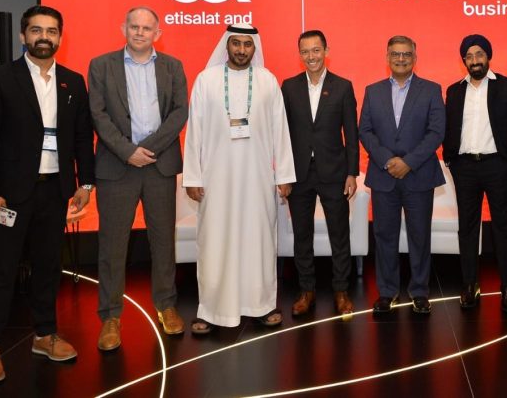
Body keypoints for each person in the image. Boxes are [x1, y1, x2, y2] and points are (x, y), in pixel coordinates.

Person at [0, 5, 95, 384]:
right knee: (0, 270)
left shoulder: (72, 82)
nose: (44, 37)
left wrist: (85, 184)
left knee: (47, 267)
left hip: (55, 191)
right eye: (37, 30)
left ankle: (45, 335)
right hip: (9, 196)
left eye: (52, 31)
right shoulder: (0, 79)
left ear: (60, 37)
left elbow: (81, 137)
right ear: (23, 36)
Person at [183, 24, 296, 333]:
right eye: (236, 44)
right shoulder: (206, 80)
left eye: (248, 44)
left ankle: (260, 305)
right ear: (227, 45)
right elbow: (194, 132)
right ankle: (212, 310)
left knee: (258, 240)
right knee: (215, 241)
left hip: (258, 178)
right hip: (215, 179)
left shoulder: (267, 80)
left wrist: (284, 175)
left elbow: (280, 131)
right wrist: (192, 176)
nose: (242, 50)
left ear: (254, 48)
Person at [88, 7, 188, 350]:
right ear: (124, 28)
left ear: (158, 33)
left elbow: (180, 112)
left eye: (147, 28)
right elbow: (98, 114)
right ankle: (110, 316)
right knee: (112, 245)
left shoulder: (173, 66)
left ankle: (166, 306)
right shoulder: (101, 66)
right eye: (134, 26)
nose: (140, 32)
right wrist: (127, 151)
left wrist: (148, 149)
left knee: (163, 241)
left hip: (159, 165)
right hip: (117, 167)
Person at [359, 35, 445, 314]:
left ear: (415, 58)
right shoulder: (372, 91)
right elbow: (365, 131)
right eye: (395, 54)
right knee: (385, 236)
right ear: (387, 57)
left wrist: (408, 162)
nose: (401, 59)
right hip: (383, 176)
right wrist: (387, 160)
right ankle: (387, 292)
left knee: (420, 236)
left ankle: (419, 292)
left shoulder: (431, 90)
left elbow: (436, 132)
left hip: (419, 175)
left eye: (406, 54)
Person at [443, 34, 507, 314]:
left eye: (479, 54)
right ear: (464, 61)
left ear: (488, 56)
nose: (475, 60)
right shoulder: (454, 91)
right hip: (464, 168)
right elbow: (449, 127)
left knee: (504, 227)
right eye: (469, 56)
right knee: (467, 227)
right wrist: (451, 159)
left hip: (497, 166)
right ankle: (470, 285)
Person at [281, 30, 358, 317]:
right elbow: (282, 134)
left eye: (316, 50)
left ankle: (341, 291)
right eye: (305, 51)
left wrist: (352, 173)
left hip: (334, 172)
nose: (311, 56)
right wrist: (283, 174)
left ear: (326, 51)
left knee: (339, 234)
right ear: (299, 54)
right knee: (302, 235)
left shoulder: (343, 87)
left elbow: (351, 134)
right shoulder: (289, 87)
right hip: (299, 174)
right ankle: (307, 291)